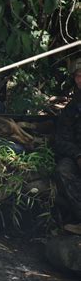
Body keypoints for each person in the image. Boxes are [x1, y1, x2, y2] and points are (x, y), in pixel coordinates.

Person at [54, 57, 81, 223]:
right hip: (77, 155)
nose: (80, 80)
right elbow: (62, 138)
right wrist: (78, 156)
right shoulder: (74, 106)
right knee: (63, 170)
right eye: (77, 75)